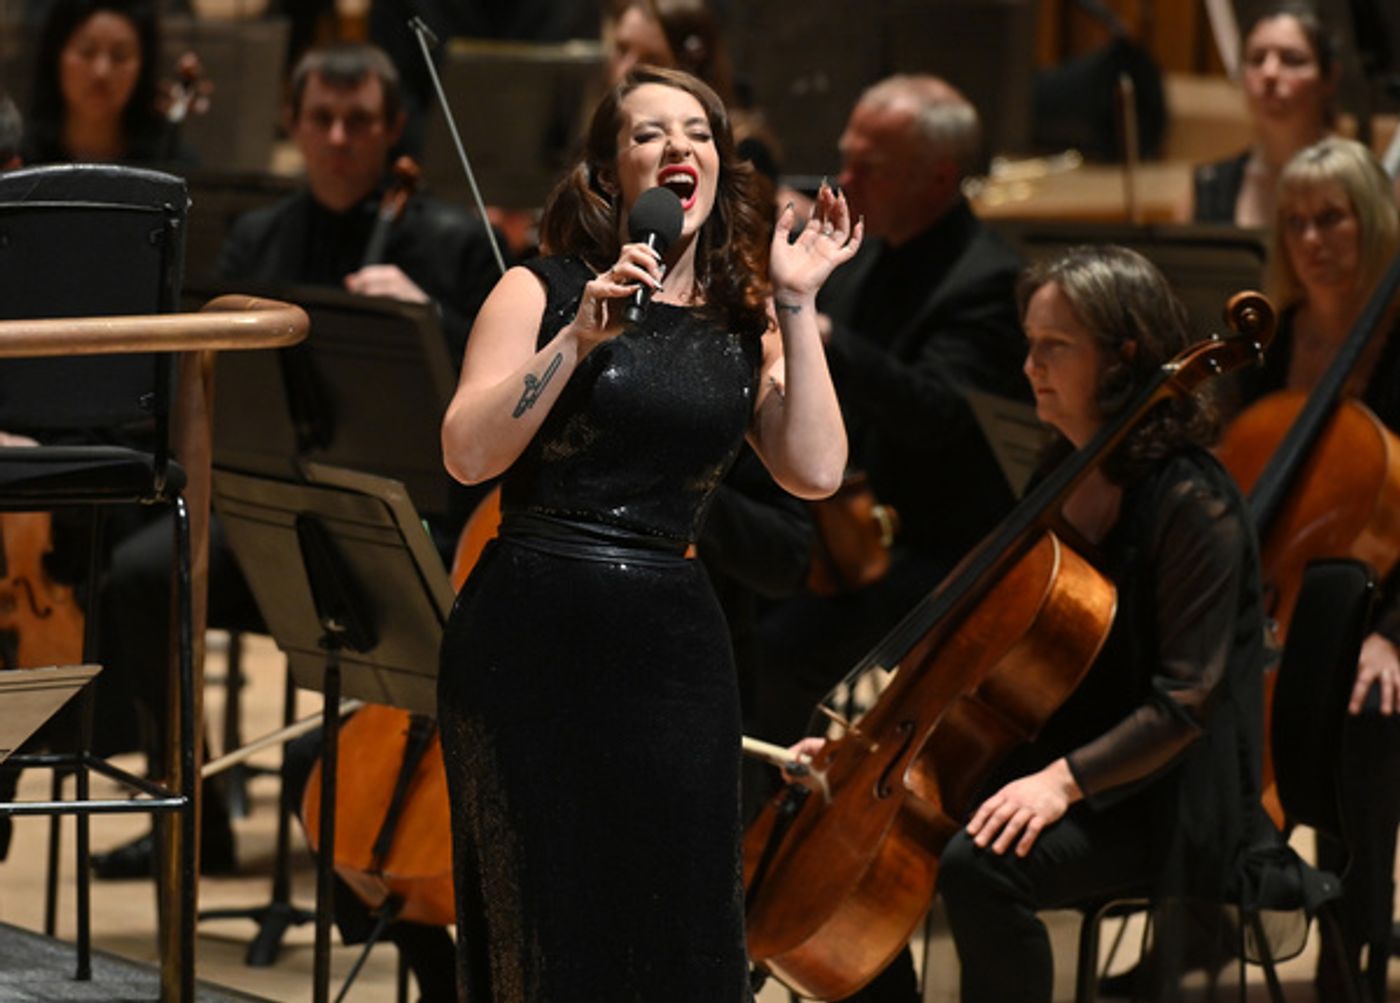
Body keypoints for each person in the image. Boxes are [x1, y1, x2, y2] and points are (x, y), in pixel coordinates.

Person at [437, 64, 855, 999]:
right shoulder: (537, 291)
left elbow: (815, 470)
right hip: (529, 631)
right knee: (545, 925)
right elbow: (468, 454)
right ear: (605, 175)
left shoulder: (745, 323)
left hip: (673, 648)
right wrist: (577, 340)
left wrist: (798, 300)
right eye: (649, 134)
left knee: (678, 925)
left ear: (721, 166)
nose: (679, 148)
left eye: (699, 133)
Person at [925, 245, 1272, 1002]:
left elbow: (1185, 702)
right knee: (879, 836)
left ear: (1124, 357)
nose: (1028, 366)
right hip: (1067, 760)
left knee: (978, 866)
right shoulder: (1065, 464)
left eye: (1054, 346)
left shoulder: (1192, 501)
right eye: (1029, 343)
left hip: (1159, 793)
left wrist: (1061, 781)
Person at [1241, 135, 1400, 1000]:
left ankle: (1355, 948)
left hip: (1386, 614)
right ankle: (1194, 915)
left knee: (1363, 716)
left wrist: (1389, 641)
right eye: (1295, 221)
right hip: (1282, 602)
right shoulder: (1273, 338)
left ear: (1371, 221)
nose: (1311, 238)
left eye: (1330, 217)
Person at [216, 43, 501, 367]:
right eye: (322, 118)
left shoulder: (464, 244)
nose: (337, 138)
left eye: (359, 120)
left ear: (395, 127)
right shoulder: (253, 238)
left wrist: (427, 318)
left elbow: (502, 373)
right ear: (292, 123)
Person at [1188, 1, 1337, 227]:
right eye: (1257, 59)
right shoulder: (1209, 187)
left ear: (1329, 78)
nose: (1269, 73)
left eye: (1292, 59)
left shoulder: (1364, 182)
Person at [23, 0, 193, 165]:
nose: (101, 72)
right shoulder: (17, 161)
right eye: (86, 52)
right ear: (55, 56)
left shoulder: (173, 161)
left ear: (144, 66)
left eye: (120, 56)